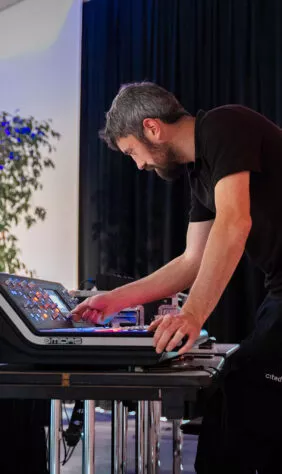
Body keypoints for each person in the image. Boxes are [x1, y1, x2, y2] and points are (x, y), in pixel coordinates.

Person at [72, 82, 282, 473]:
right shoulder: (201, 175)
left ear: (152, 127)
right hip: (279, 290)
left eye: (132, 152)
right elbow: (191, 261)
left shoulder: (224, 126)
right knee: (233, 393)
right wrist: (116, 298)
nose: (139, 165)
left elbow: (235, 223)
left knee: (246, 388)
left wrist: (193, 315)